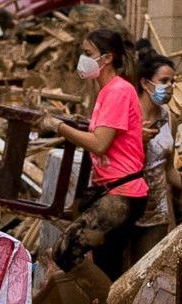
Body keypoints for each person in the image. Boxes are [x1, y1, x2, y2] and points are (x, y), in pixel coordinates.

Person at [52, 30, 162, 277]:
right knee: (106, 263)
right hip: (113, 190)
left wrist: (59, 127)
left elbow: (100, 143)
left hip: (124, 194)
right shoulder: (106, 91)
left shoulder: (117, 91)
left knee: (65, 250)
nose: (83, 59)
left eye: (88, 54)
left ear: (107, 58)